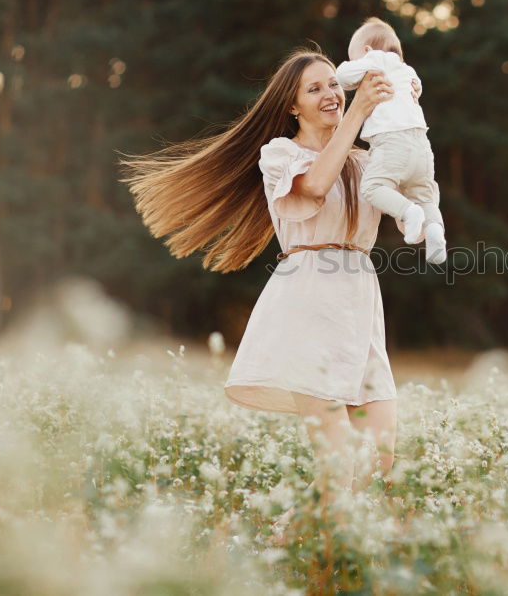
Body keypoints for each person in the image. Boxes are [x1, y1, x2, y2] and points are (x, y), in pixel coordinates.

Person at [118, 45, 420, 544]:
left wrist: (404, 101)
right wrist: (360, 110)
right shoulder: (280, 156)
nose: (331, 95)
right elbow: (317, 186)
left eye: (334, 86)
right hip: (310, 300)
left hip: (360, 301)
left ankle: (289, 537)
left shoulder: (365, 162)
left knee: (380, 454)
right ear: (292, 107)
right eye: (314, 88)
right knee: (339, 452)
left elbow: (416, 184)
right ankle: (298, 555)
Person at [336, 17, 447, 264]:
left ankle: (409, 211)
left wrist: (356, 66)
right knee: (425, 196)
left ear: (366, 50)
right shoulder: (408, 71)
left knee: (372, 188)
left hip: (392, 142)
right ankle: (435, 232)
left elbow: (343, 76)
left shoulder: (374, 59)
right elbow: (418, 90)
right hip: (422, 146)